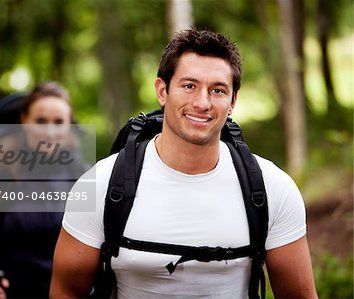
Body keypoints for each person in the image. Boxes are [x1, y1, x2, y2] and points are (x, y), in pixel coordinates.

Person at [50, 29, 318, 298]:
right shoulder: (100, 184)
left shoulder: (273, 188)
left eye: (217, 90)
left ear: (233, 101)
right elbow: (66, 291)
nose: (202, 103)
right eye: (189, 86)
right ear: (162, 91)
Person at [0, 82, 88, 299]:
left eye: (59, 122)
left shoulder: (87, 179)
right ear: (24, 121)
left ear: (69, 126)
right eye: (40, 121)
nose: (50, 132)